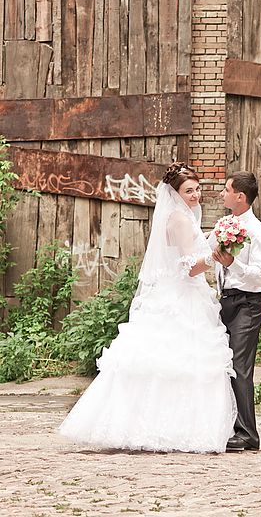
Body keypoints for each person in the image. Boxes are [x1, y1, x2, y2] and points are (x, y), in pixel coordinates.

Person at [59, 162, 237, 454]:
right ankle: (169, 429)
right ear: (175, 193)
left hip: (181, 294)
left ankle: (160, 425)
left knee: (171, 364)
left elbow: (187, 251)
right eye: (189, 191)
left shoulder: (184, 215)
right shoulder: (179, 218)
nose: (196, 195)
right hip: (181, 298)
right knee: (175, 362)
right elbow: (189, 267)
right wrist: (217, 257)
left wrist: (212, 242)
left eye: (197, 189)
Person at [209, 172, 261, 451]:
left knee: (239, 367)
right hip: (226, 300)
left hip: (248, 303)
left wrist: (232, 264)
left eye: (226, 190)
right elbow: (203, 247)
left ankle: (248, 434)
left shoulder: (257, 233)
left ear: (240, 196)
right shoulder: (226, 225)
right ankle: (225, 425)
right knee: (221, 364)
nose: (221, 194)